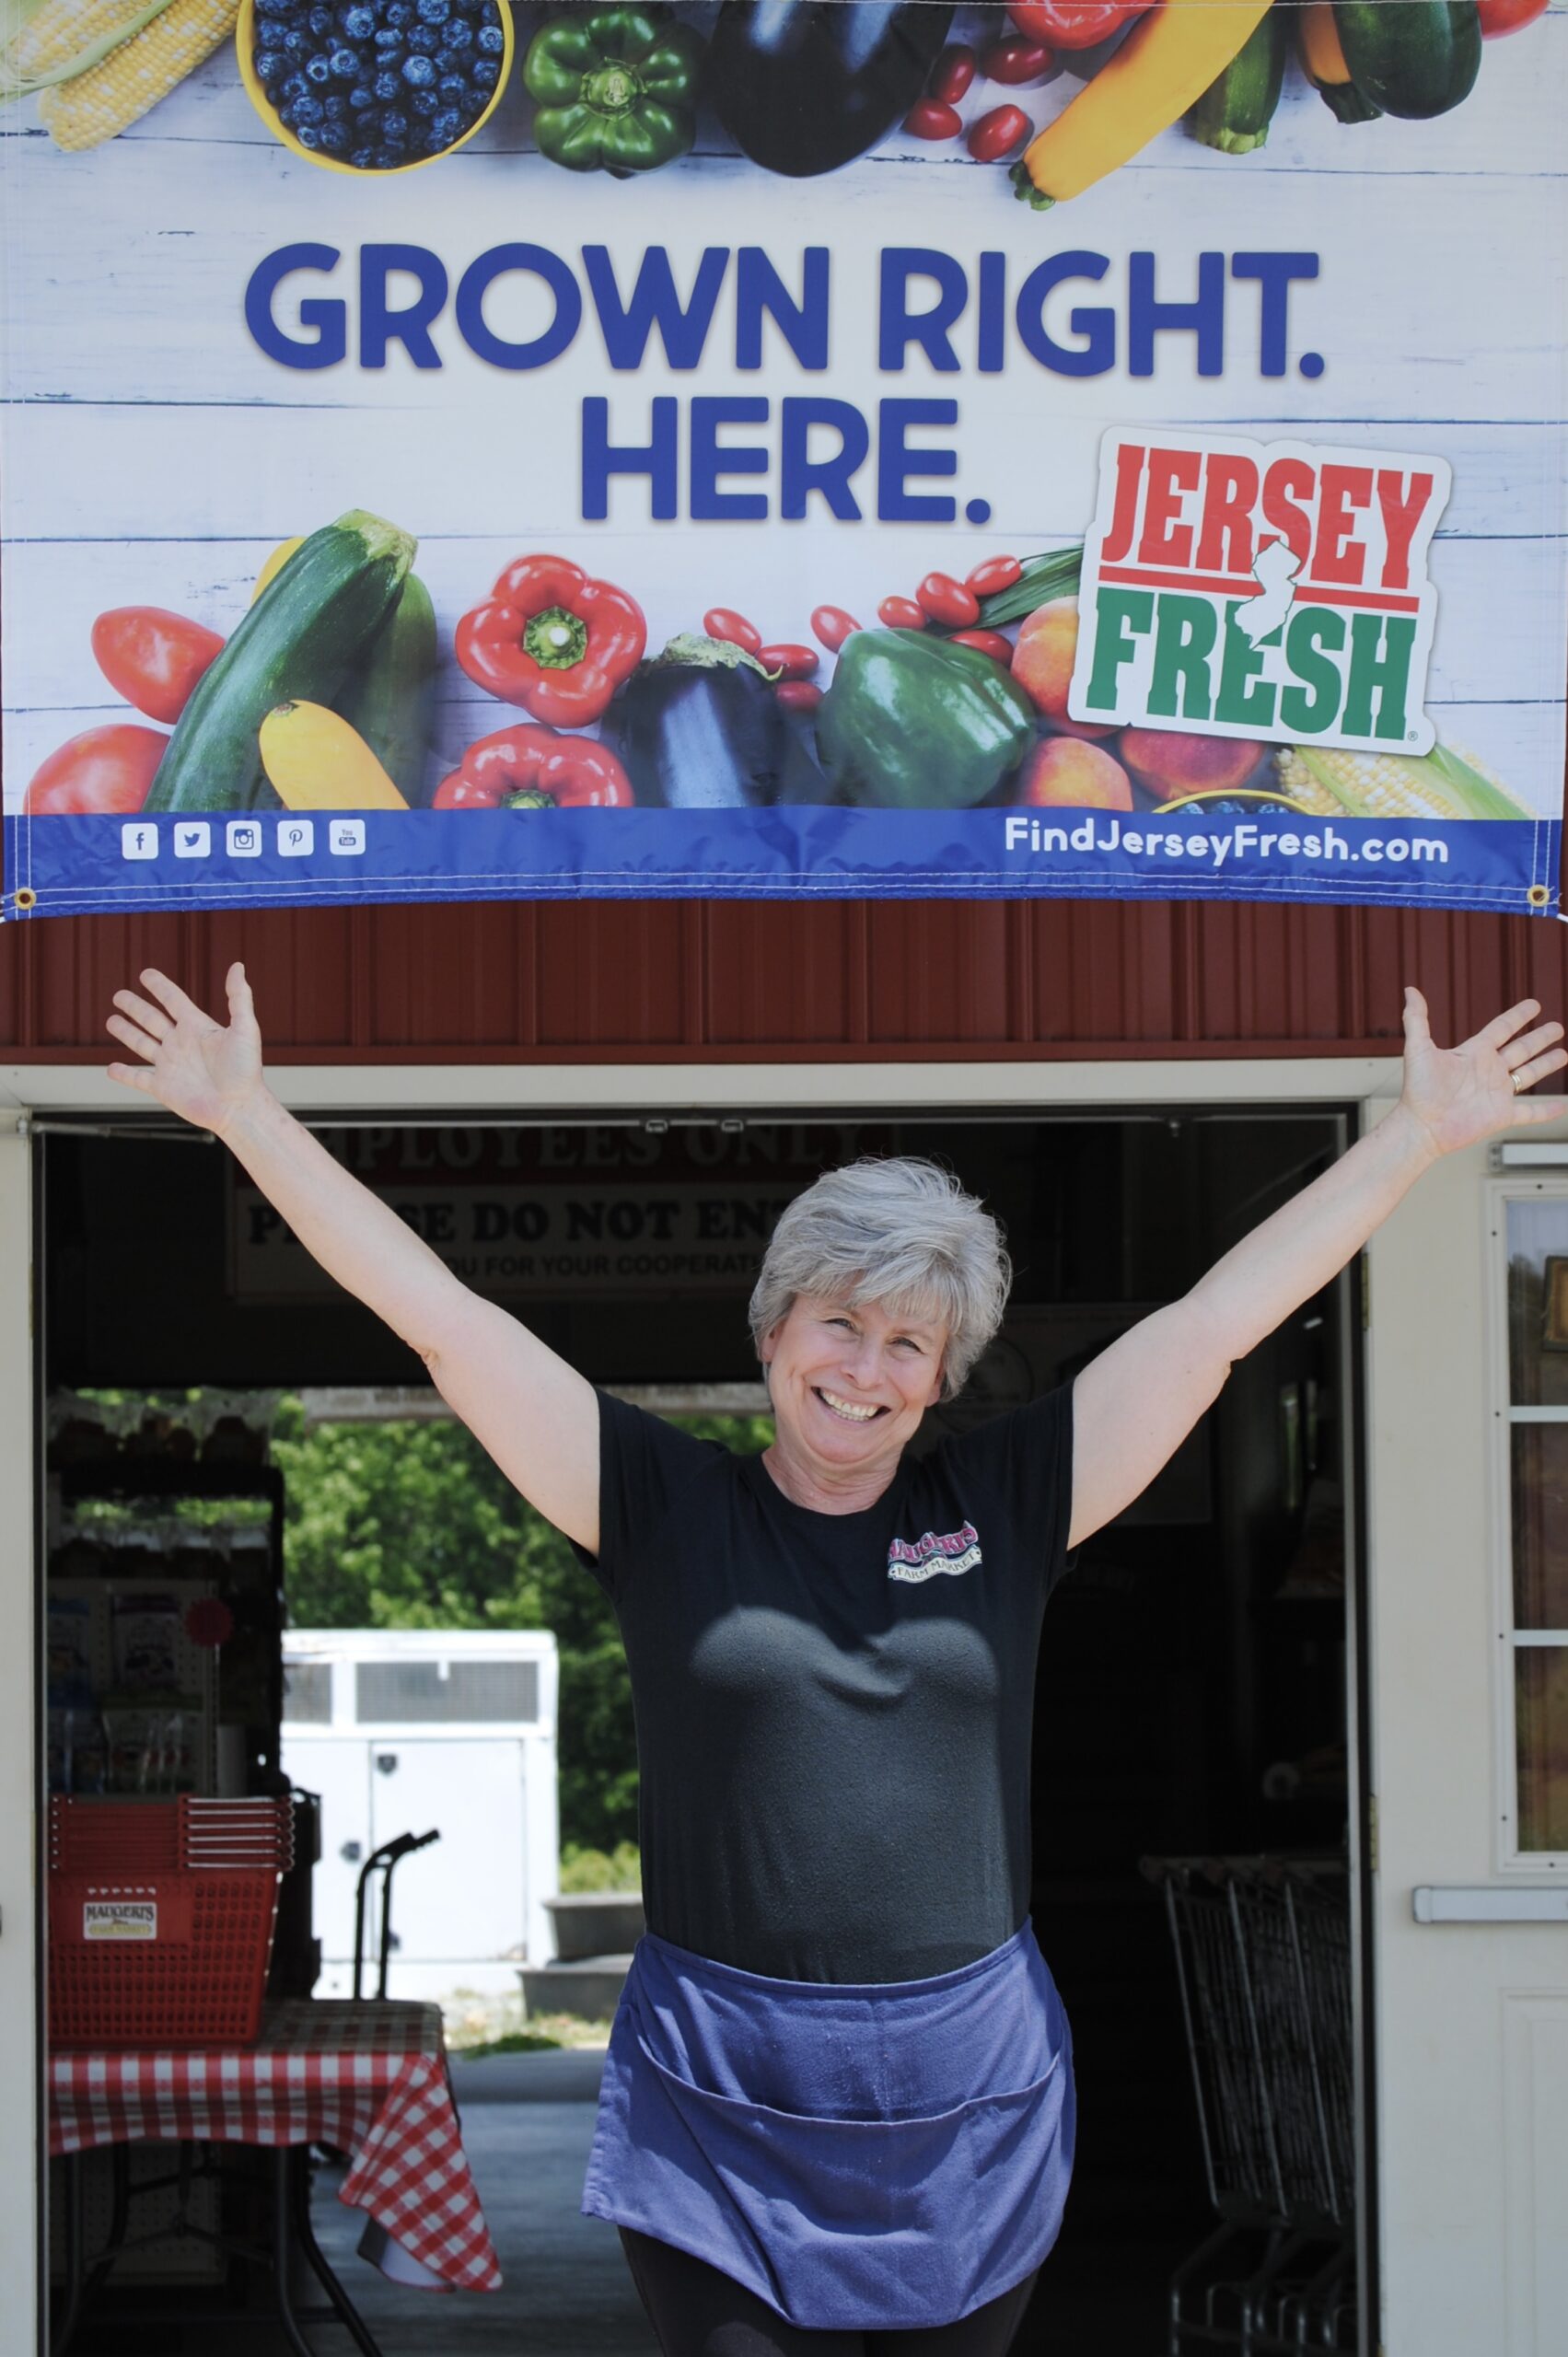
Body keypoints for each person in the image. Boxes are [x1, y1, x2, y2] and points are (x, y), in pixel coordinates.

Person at [106, 968, 1564, 2357]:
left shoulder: (1005, 1502)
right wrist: (250, 1119)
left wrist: (1422, 1137)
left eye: (909, 1343)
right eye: (840, 1323)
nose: (865, 1369)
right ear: (774, 1326)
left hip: (964, 2097)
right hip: (720, 2093)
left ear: (945, 1373)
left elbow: (1213, 1330)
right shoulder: (662, 1507)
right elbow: (448, 1323)